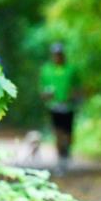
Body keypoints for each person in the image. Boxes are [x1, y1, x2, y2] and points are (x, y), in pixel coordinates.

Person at [38, 42, 81, 175]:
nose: (58, 57)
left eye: (60, 54)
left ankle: (67, 152)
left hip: (68, 106)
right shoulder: (46, 69)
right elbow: (42, 89)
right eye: (55, 54)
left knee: (68, 133)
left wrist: (75, 95)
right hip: (54, 106)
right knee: (57, 133)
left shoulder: (71, 69)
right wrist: (46, 95)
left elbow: (78, 87)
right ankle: (61, 159)